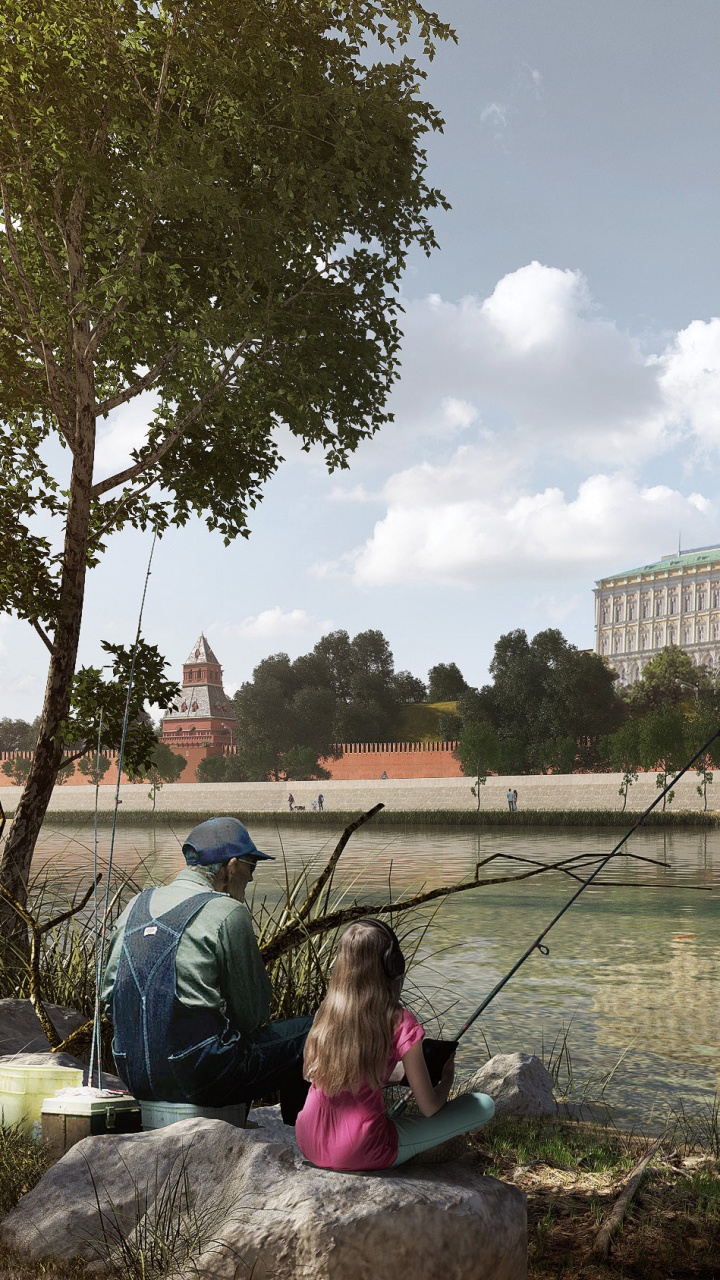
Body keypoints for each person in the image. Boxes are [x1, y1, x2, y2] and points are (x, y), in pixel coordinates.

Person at [101, 817, 312, 1124]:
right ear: (231, 866)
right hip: (202, 1080)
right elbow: (252, 1016)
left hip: (134, 1075)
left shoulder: (136, 904)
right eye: (251, 867)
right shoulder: (228, 912)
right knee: (315, 1030)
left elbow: (110, 1000)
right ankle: (302, 1138)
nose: (251, 879)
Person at [295, 920, 494, 1171]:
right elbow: (430, 1108)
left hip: (309, 1142)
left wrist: (402, 1074)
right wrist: (447, 1078)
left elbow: (332, 1074)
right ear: (393, 965)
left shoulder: (326, 1012)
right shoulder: (400, 1021)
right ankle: (413, 1153)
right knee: (483, 1105)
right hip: (362, 1149)